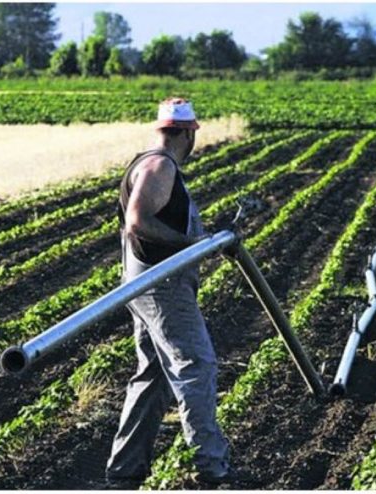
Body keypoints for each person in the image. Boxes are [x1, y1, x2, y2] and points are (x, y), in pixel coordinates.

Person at [105, 98, 234, 486]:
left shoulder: (145, 161)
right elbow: (137, 222)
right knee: (196, 365)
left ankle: (125, 470)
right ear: (188, 133)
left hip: (143, 282)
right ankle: (211, 467)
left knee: (155, 375)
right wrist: (189, 247)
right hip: (161, 285)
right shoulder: (160, 166)